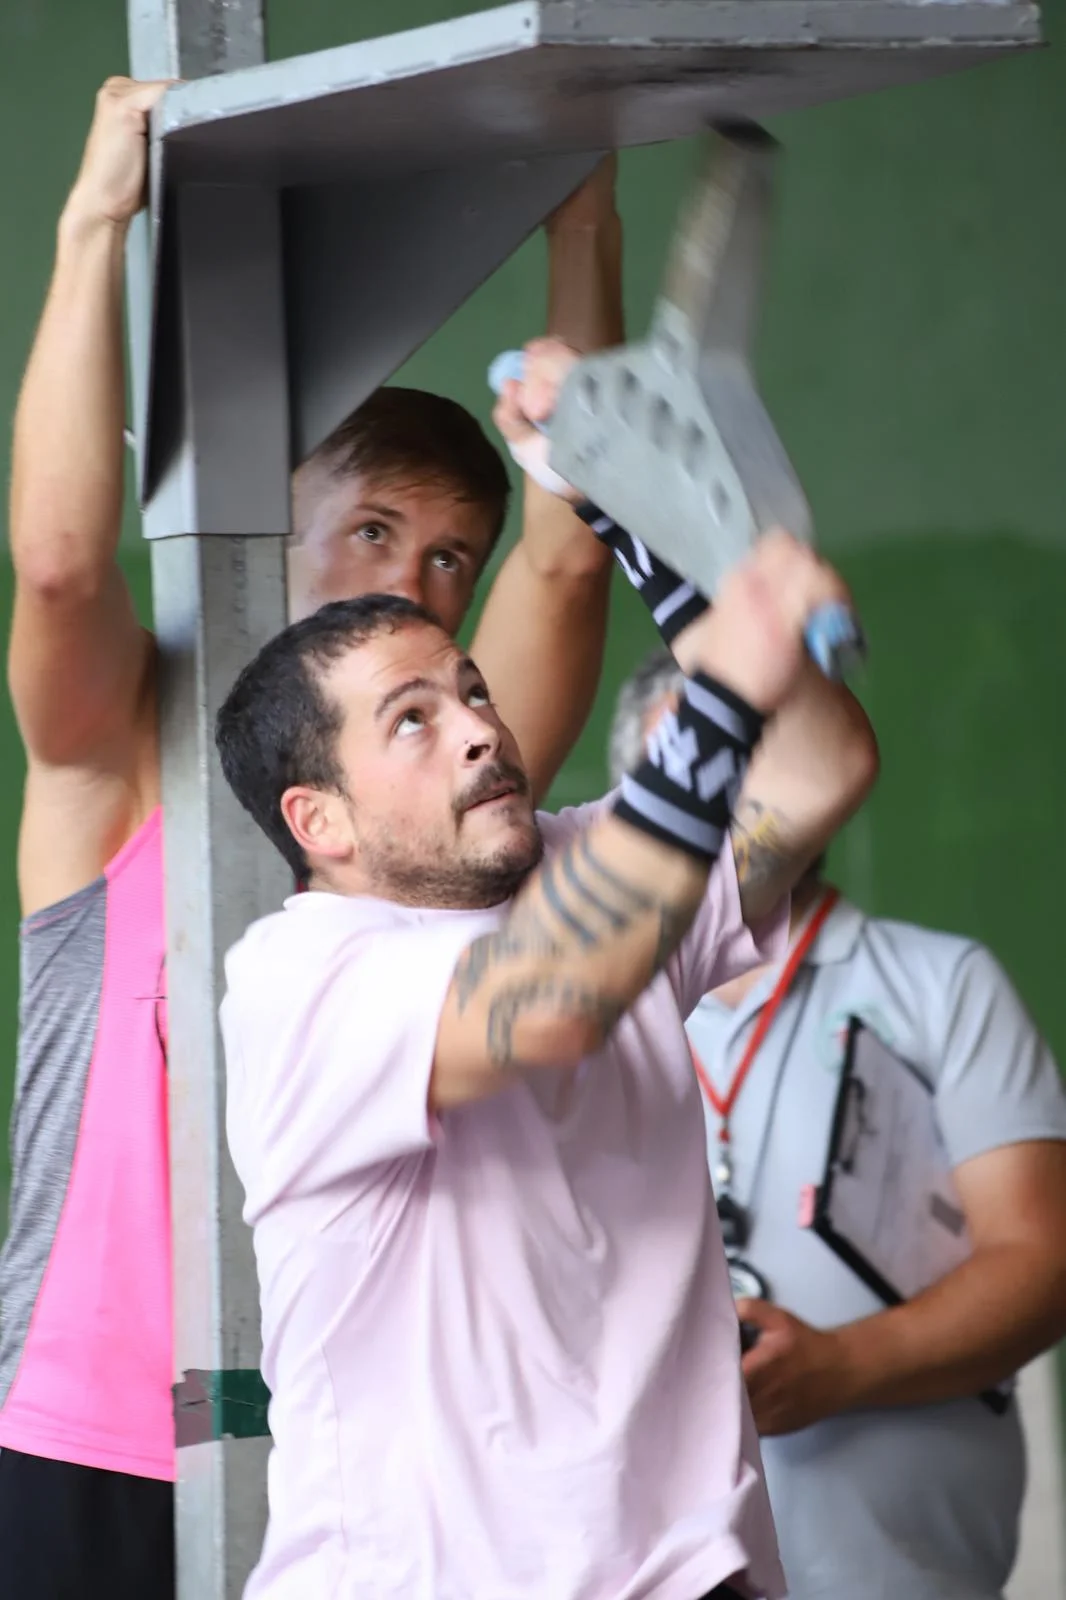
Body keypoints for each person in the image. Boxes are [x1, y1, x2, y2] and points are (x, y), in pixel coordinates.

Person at [0, 75, 625, 1598]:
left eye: (448, 560)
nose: (411, 584)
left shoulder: (444, 781)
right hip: (91, 1436)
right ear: (267, 523)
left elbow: (562, 570)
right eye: (371, 533)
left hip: (361, 1457)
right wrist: (96, 223)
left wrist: (584, 216)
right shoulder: (124, 753)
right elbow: (63, 565)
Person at [215, 516, 876, 1598]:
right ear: (319, 821)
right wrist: (719, 693)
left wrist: (642, 533)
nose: (479, 730)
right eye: (413, 720)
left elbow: (822, 768)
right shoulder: (297, 977)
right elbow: (553, 997)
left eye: (473, 691)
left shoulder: (590, 870)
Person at [611, 649, 1066, 1600]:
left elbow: (1044, 1266)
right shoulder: (583, 1025)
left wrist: (840, 1367)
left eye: (756, 759)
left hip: (906, 1576)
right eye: (691, 772)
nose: (735, 803)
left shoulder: (943, 984)